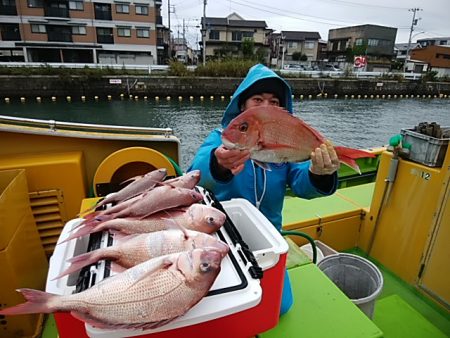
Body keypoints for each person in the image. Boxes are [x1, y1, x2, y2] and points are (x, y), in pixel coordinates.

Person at [188, 63, 339, 315]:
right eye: (257, 99)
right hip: (220, 237)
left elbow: (301, 182)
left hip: (269, 241)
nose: (266, 106)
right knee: (221, 308)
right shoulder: (221, 138)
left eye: (274, 101)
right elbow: (195, 176)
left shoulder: (283, 146)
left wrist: (319, 174)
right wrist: (218, 163)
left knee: (279, 307)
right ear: (242, 105)